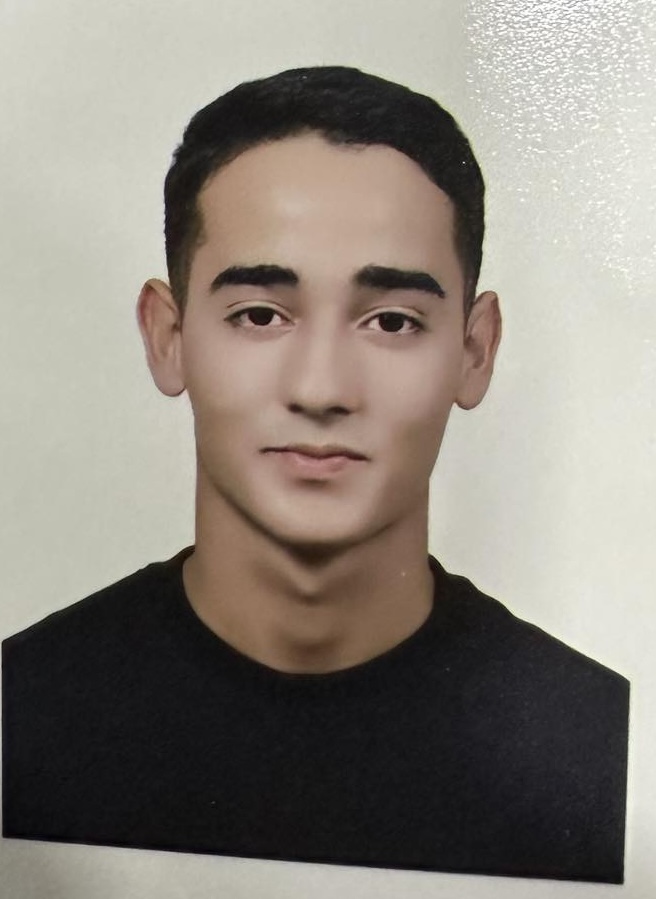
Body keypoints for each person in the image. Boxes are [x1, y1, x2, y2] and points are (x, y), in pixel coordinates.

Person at [2, 66, 629, 883]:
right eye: (260, 314)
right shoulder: (17, 721)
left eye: (392, 321)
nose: (322, 388)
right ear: (168, 336)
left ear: (475, 351)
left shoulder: (608, 755)